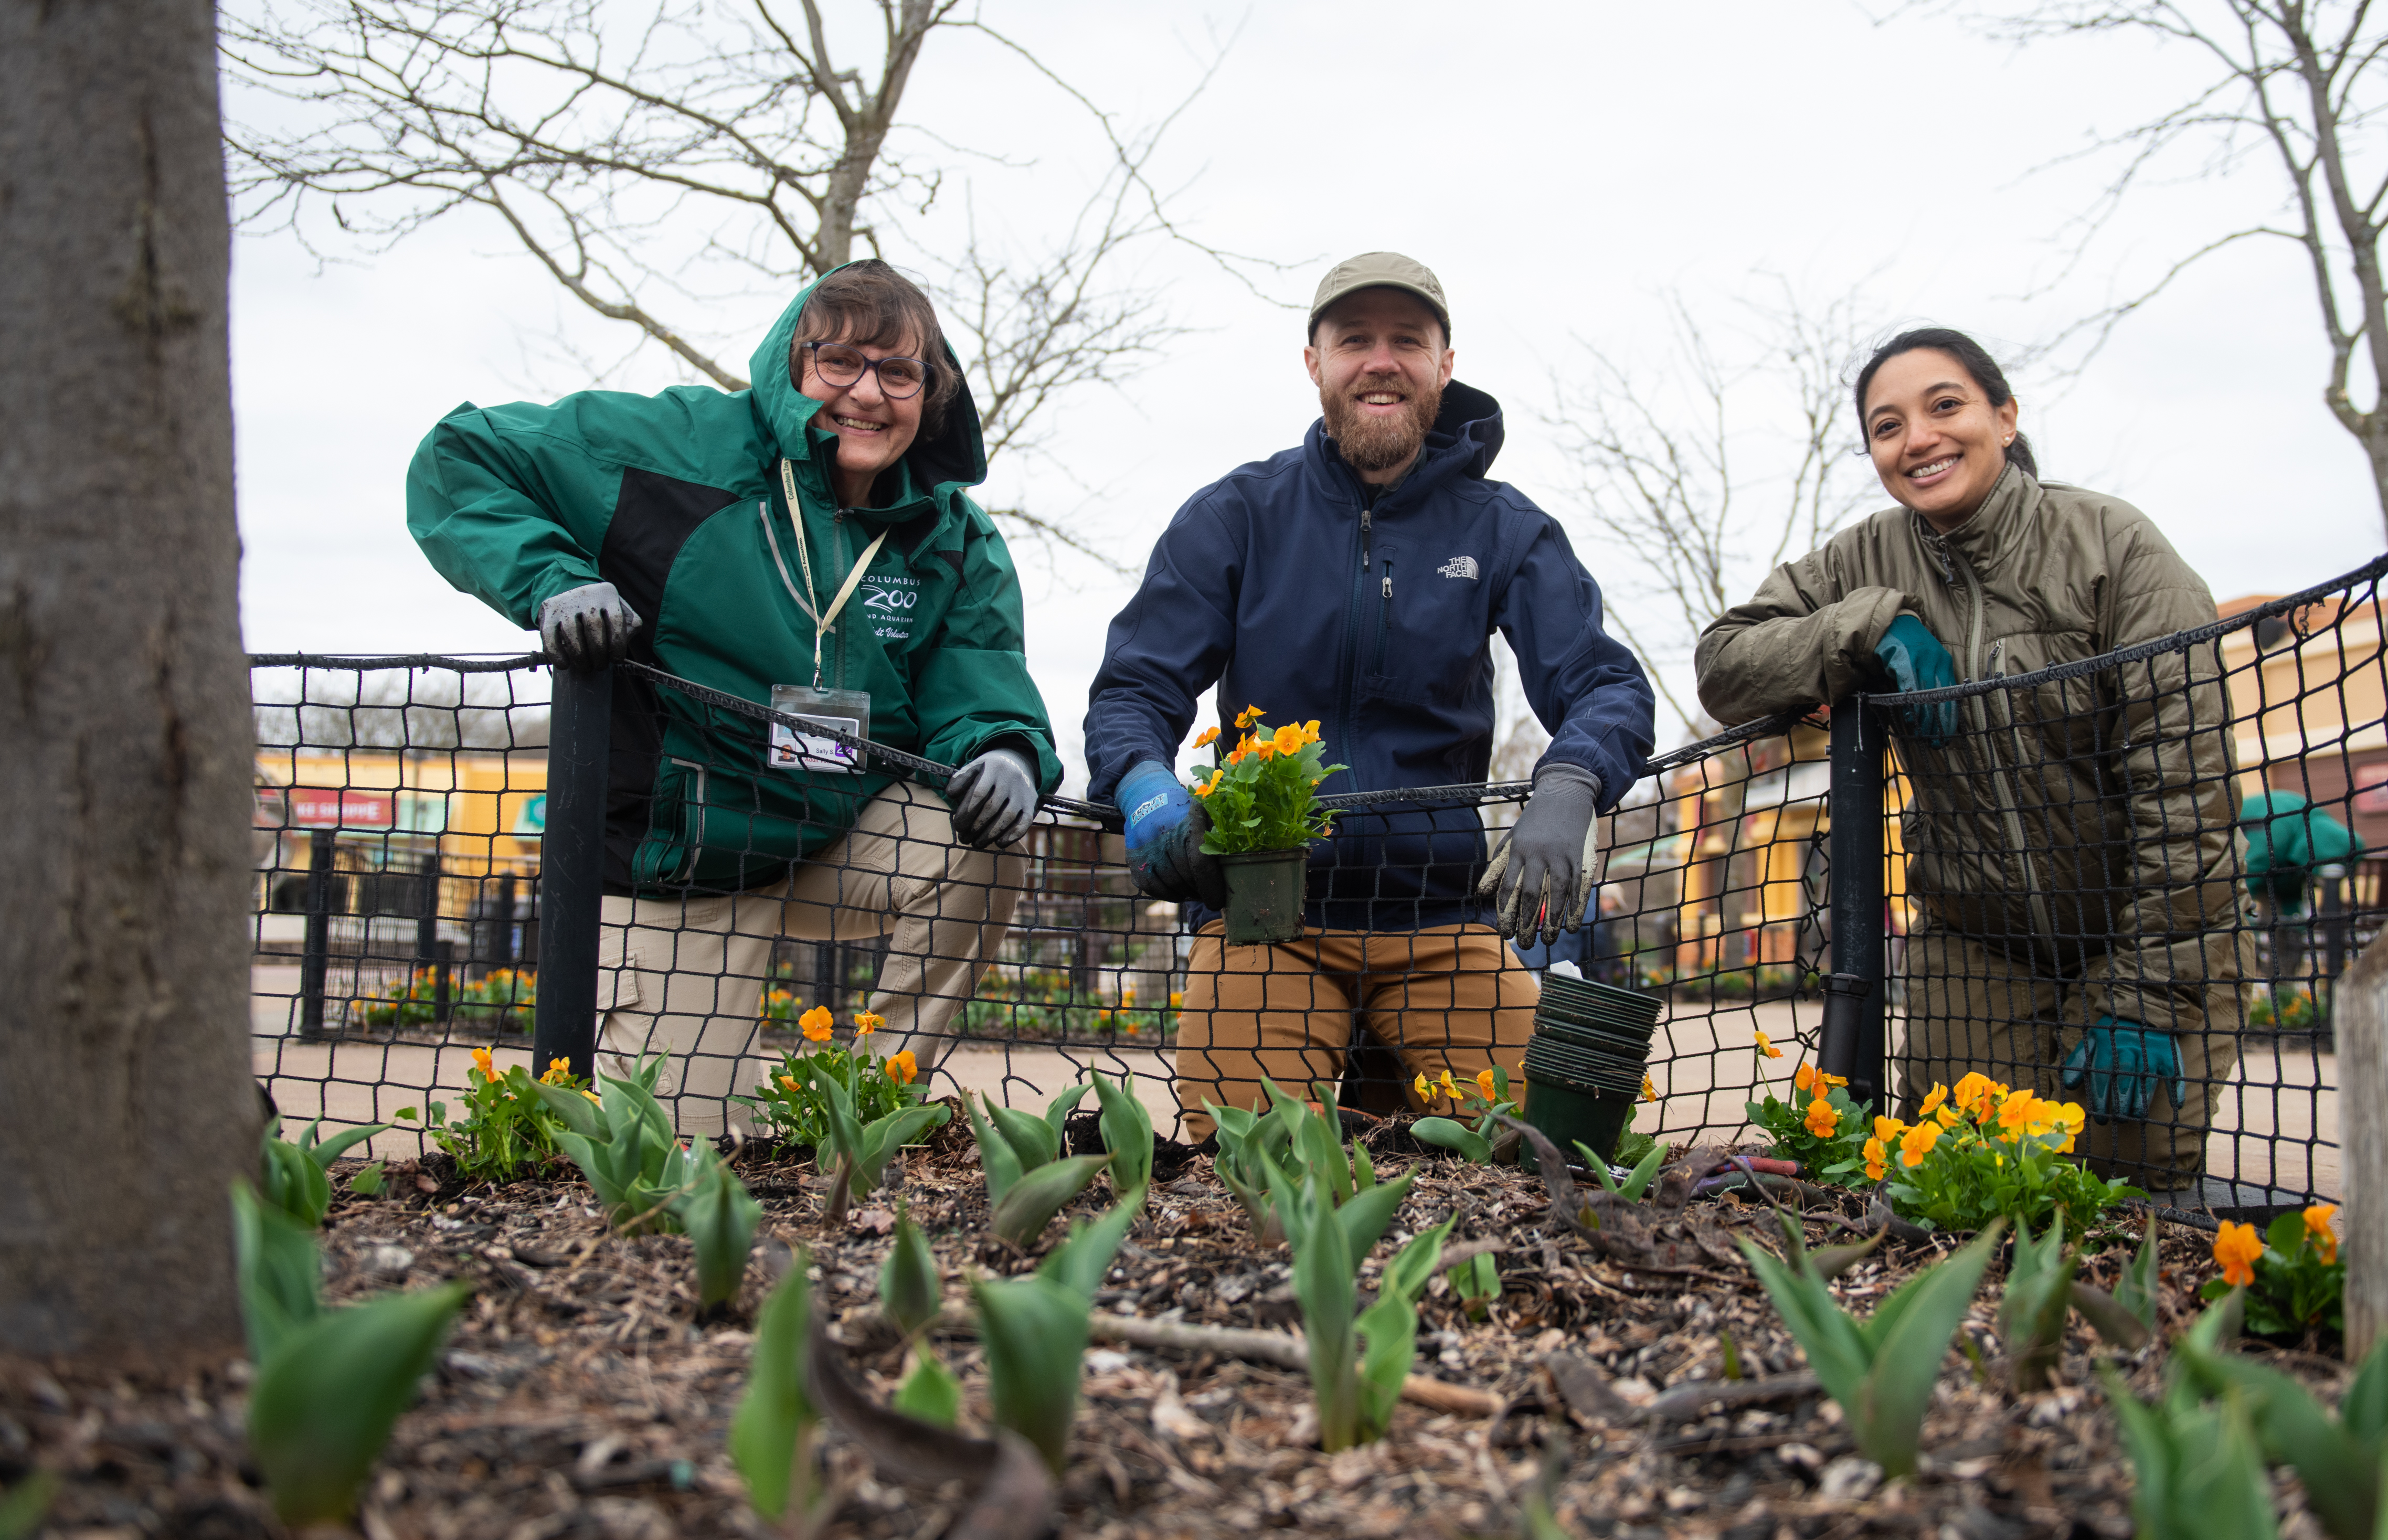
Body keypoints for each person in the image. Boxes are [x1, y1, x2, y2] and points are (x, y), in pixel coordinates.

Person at [409, 261, 1059, 1135]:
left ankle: (866, 1111)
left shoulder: (951, 534)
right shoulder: (678, 448)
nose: (868, 393)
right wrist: (552, 580)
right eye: (840, 363)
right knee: (681, 1155)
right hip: (684, 867)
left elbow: (975, 674)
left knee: (978, 841)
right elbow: (461, 456)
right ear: (793, 366)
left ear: (929, 395)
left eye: (899, 373)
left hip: (833, 838)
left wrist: (1009, 750)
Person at [1085, 252, 1655, 1134]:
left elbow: (1605, 683)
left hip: (1446, 921)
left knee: (1529, 1154)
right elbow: (1135, 685)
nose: (1380, 361)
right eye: (1355, 340)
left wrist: (1571, 784)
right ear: (1314, 362)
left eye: (1408, 341)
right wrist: (1144, 786)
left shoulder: (1506, 529)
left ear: (1445, 366)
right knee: (1255, 1166)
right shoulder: (1237, 514)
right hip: (1267, 921)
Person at [1693, 326, 2240, 1191]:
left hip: (2138, 930)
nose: (1918, 438)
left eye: (1944, 406)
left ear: (2006, 416)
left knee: (2119, 1168)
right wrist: (1870, 624)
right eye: (1887, 425)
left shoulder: (2116, 547)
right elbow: (1725, 665)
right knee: (1963, 1169)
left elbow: (2188, 796)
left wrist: (2149, 997)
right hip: (1978, 940)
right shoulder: (1866, 557)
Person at [2236, 789, 2364, 1000]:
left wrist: (2293, 927)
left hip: (2279, 873)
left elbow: (2290, 892)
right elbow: (2245, 880)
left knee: (2289, 927)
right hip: (2246, 873)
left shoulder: (2311, 828)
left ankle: (2283, 992)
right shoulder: (2279, 830)